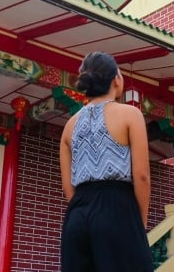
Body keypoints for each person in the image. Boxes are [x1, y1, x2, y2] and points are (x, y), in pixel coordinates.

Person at [59, 51, 153, 271]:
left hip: (78, 213)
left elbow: (68, 188)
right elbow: (142, 175)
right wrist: (140, 221)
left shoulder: (69, 126)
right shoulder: (130, 114)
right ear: (116, 80)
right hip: (117, 208)